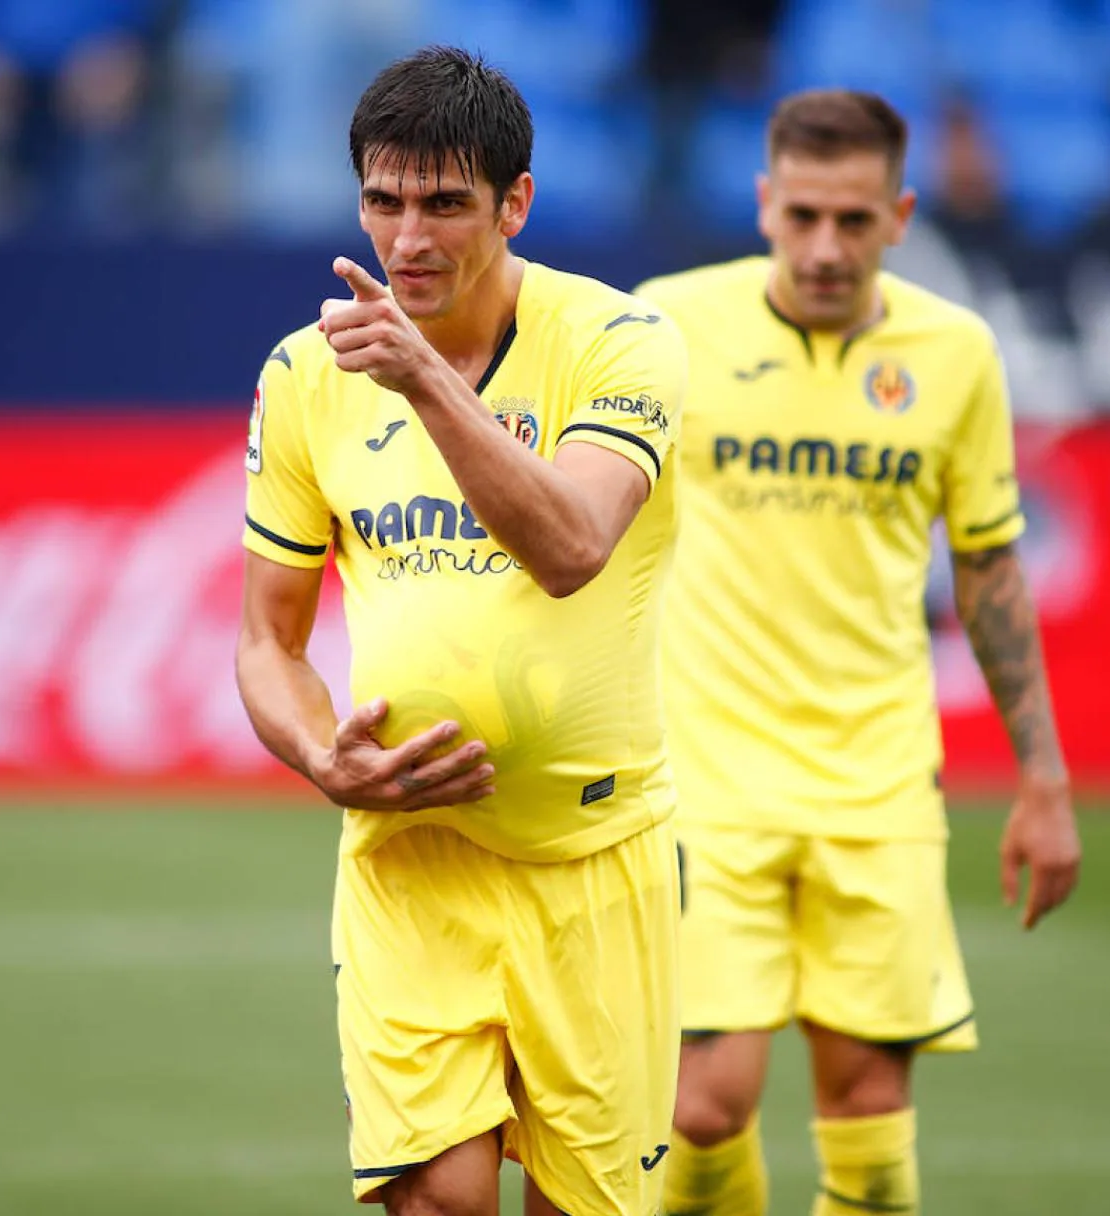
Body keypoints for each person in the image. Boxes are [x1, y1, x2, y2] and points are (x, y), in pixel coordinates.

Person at [235, 46, 688, 1216]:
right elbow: (268, 642)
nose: (409, 238)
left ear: (514, 203)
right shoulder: (304, 376)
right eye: (384, 201)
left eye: (444, 203)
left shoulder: (620, 343)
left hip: (594, 861)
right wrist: (321, 754)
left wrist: (428, 382)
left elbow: (574, 545)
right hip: (413, 865)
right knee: (439, 1198)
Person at [632, 89, 1082, 1216]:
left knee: (871, 1114)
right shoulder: (663, 325)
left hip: (877, 782)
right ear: (763, 205)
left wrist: (1043, 776)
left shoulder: (956, 353)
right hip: (706, 784)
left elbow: (987, 565)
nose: (826, 248)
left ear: (901, 213)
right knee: (699, 1108)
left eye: (854, 220)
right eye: (803, 217)